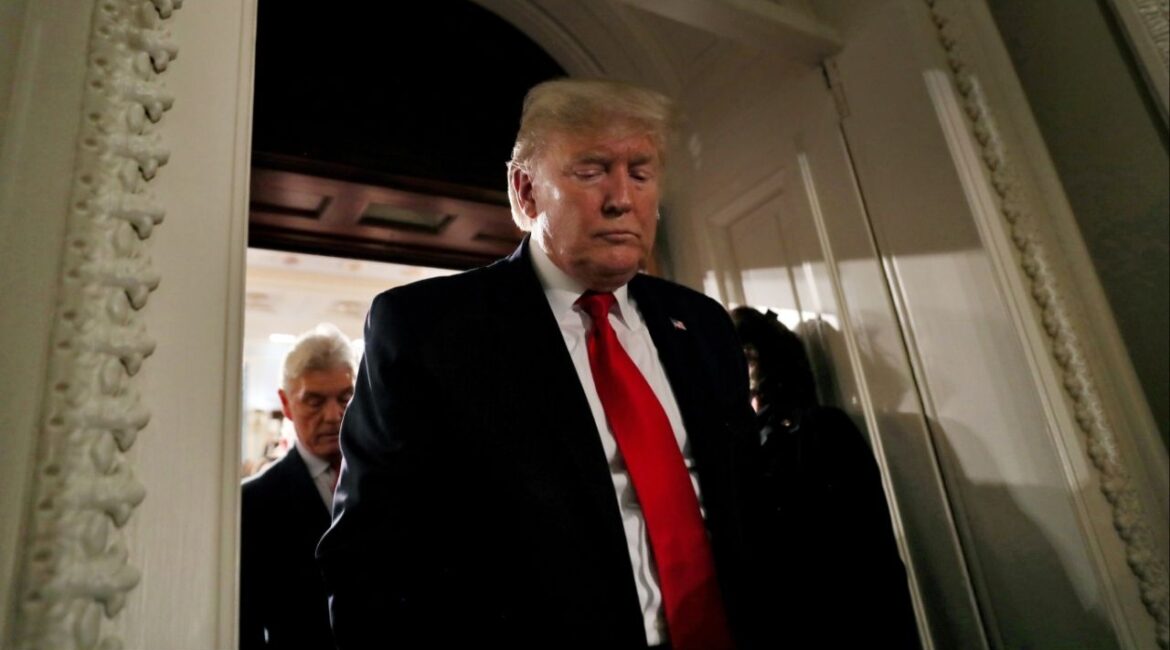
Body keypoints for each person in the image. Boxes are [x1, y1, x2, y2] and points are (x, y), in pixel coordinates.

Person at [316, 79, 762, 649]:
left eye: (641, 173)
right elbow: (370, 559)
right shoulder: (428, 330)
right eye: (592, 170)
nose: (621, 198)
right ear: (525, 192)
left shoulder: (701, 325)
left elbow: (747, 512)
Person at [730, 307, 921, 649]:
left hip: (837, 621)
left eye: (742, 357)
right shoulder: (737, 442)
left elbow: (868, 557)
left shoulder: (820, 430)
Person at [240, 324, 356, 650]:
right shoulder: (251, 504)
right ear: (287, 403)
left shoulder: (392, 484)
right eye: (314, 401)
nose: (334, 416)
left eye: (346, 398)